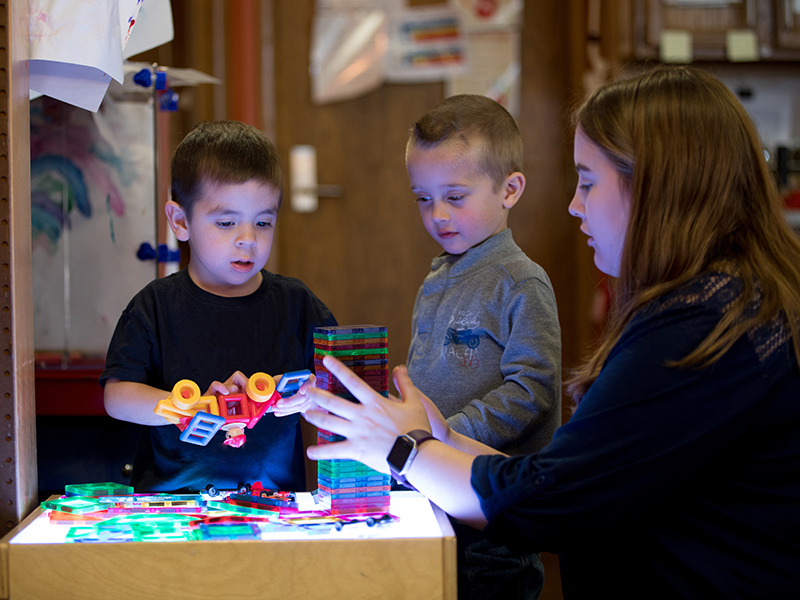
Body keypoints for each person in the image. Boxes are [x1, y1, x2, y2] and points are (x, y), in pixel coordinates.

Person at [299, 67, 800, 598]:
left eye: (587, 182)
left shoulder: (701, 326)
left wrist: (405, 450)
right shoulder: (730, 299)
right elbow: (574, 470)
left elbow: (552, 498)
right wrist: (438, 438)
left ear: (657, 186)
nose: (573, 205)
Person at [101, 120, 337, 493]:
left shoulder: (297, 304)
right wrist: (187, 405)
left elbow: (343, 388)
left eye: (263, 221)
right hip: (172, 505)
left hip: (274, 505)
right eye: (226, 222)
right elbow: (117, 397)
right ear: (181, 221)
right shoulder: (155, 305)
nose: (248, 239)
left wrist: (313, 394)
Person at [404, 94, 561, 599]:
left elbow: (532, 388)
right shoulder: (438, 276)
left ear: (510, 189)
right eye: (423, 198)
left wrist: (447, 433)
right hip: (436, 489)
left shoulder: (520, 282)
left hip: (492, 509)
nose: (437, 215)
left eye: (455, 196)